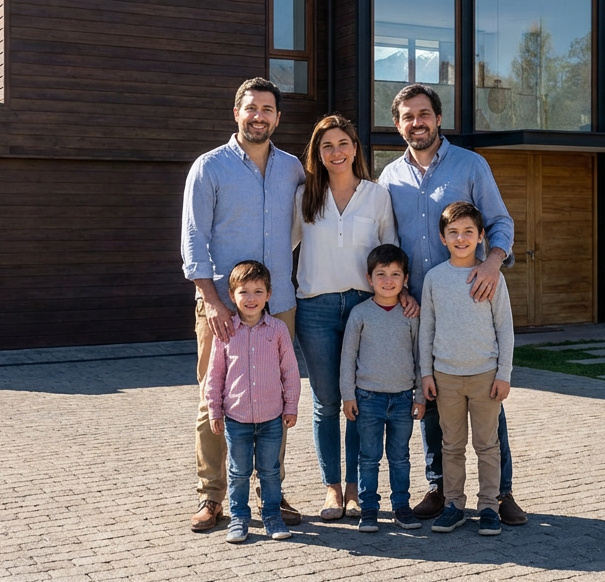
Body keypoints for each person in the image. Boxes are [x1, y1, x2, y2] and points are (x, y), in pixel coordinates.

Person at [377, 83, 527, 526]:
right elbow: (388, 242)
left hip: (472, 302)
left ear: (438, 118)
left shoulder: (471, 165)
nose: (416, 122)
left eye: (424, 114)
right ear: (398, 124)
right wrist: (398, 288)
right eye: (408, 116)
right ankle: (442, 490)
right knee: (432, 400)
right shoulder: (390, 177)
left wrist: (493, 263)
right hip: (417, 307)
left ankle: (500, 494)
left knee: (486, 406)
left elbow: (500, 220)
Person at [181, 77, 305, 532]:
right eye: (251, 108)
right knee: (212, 400)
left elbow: (298, 227)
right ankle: (212, 497)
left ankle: (269, 492)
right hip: (221, 306)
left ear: (277, 117)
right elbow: (193, 237)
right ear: (237, 112)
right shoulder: (209, 167)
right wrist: (210, 298)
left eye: (268, 109)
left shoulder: (293, 168)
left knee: (273, 398)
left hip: (278, 305)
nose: (259, 116)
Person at [292, 114, 399, 520]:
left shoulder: (377, 195)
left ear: (355, 147)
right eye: (326, 146)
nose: (336, 152)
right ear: (317, 155)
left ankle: (356, 489)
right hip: (315, 308)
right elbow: (281, 245)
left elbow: (390, 251)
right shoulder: (304, 196)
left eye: (342, 143)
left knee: (358, 401)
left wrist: (398, 295)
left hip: (363, 306)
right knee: (326, 401)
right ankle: (332, 490)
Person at [418, 202, 514, 536]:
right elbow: (426, 330)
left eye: (468, 232)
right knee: (451, 445)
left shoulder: (491, 277)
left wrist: (504, 374)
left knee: (488, 445)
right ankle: (454, 505)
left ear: (481, 236)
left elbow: (505, 329)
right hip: (445, 377)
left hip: (485, 376)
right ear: (442, 238)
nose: (461, 238)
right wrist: (426, 374)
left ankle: (489, 506)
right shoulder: (434, 279)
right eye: (453, 233)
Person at [205, 261, 301, 543]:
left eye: (258, 291)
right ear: (232, 295)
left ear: (269, 295)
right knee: (238, 472)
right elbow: (215, 375)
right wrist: (215, 410)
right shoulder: (225, 332)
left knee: (270, 471)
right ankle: (239, 517)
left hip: (272, 417)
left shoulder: (279, 330)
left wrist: (291, 405)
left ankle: (272, 516)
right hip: (237, 419)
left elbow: (290, 371)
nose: (251, 298)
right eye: (244, 292)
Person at [340, 244, 425, 533]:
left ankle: (402, 507)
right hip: (368, 398)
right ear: (369, 278)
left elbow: (419, 356)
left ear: (406, 279)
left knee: (400, 456)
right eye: (381, 274)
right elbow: (348, 358)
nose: (388, 280)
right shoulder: (360, 313)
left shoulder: (411, 314)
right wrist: (348, 396)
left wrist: (419, 395)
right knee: (369, 457)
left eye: (395, 274)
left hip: (402, 399)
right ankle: (369, 509)